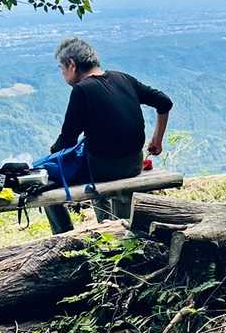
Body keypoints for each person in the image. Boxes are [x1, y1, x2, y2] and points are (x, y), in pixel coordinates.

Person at [46, 36, 172, 232]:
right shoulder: (123, 78)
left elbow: (67, 140)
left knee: (45, 184)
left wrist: (48, 161)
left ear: (71, 65)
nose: (62, 74)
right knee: (94, 158)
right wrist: (157, 140)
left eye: (62, 68)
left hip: (103, 170)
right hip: (133, 164)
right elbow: (164, 102)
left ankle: (64, 235)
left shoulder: (82, 90)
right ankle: (108, 227)